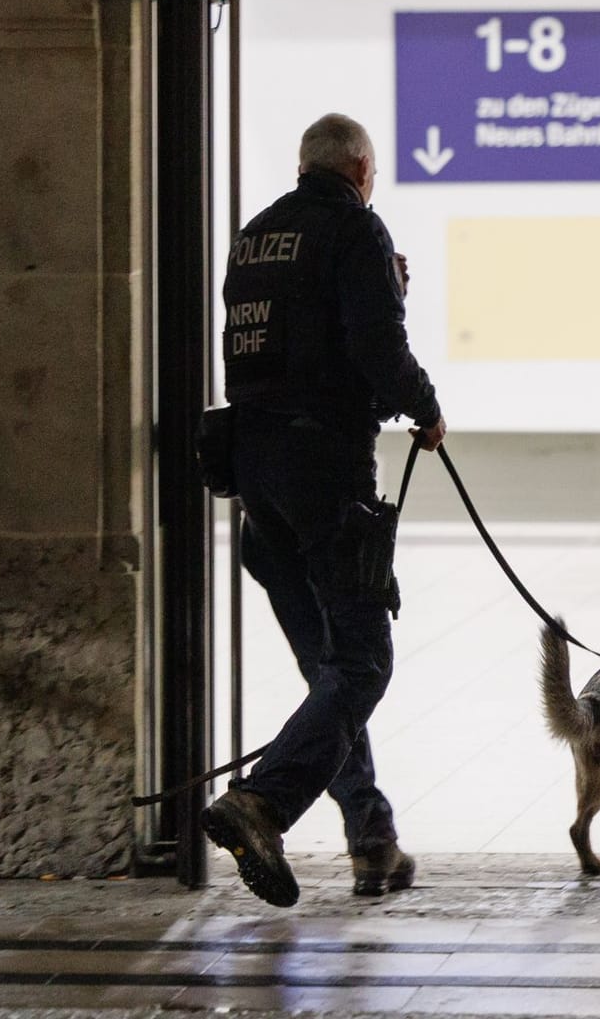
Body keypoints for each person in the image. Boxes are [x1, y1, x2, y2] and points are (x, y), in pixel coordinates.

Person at [201, 112, 445, 907]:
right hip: (324, 475)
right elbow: (376, 350)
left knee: (330, 670)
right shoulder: (355, 228)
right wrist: (425, 407)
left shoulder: (255, 237)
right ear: (359, 168)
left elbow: (287, 344)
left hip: (256, 479)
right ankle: (262, 804)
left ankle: (372, 839)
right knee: (364, 663)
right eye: (371, 174)